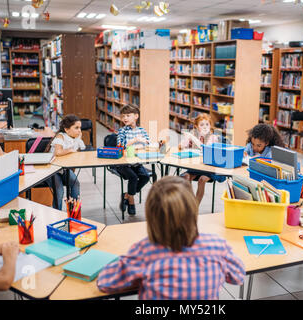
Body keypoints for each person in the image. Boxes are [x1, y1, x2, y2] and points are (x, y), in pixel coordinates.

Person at [96, 176, 245, 299]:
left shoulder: (144, 251)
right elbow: (238, 276)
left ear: (151, 216)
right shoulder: (216, 245)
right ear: (193, 210)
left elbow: (105, 282)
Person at [179, 113, 225, 205]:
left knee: (202, 179)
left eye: (207, 124)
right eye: (202, 125)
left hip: (210, 168)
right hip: (197, 166)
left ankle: (195, 206)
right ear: (196, 127)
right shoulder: (195, 136)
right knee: (185, 177)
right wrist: (187, 138)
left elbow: (204, 148)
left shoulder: (213, 138)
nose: (205, 127)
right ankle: (190, 202)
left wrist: (192, 137)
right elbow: (181, 146)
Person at [116, 104, 151, 216]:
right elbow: (120, 146)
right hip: (123, 163)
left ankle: (127, 195)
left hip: (136, 162)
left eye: (128, 115)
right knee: (133, 177)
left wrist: (140, 144)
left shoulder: (142, 130)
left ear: (136, 116)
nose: (124, 118)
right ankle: (131, 201)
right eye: (123, 116)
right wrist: (136, 140)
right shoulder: (122, 131)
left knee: (145, 177)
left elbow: (147, 143)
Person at [46, 114, 85, 209]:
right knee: (59, 190)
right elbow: (58, 152)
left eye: (80, 127)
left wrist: (78, 140)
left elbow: (79, 150)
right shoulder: (60, 136)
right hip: (52, 169)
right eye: (76, 128)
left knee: (75, 183)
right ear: (67, 129)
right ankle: (57, 214)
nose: (79, 131)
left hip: (64, 169)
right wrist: (70, 150)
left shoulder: (76, 137)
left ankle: (74, 211)